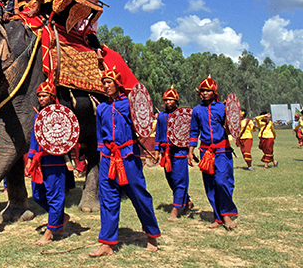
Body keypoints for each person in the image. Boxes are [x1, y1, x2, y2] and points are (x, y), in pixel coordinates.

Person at [90, 68, 160, 257]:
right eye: (104, 83)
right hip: (107, 158)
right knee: (107, 199)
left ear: (118, 84)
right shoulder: (102, 108)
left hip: (128, 156)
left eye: (109, 82)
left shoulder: (129, 104)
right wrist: (102, 155)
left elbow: (143, 123)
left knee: (139, 195)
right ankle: (107, 243)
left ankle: (152, 235)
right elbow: (99, 134)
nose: (105, 86)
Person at [25, 81, 72, 245]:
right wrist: (29, 159)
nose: (41, 99)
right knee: (37, 195)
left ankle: (49, 232)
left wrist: (67, 159)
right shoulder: (38, 115)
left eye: (44, 95)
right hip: (39, 161)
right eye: (39, 96)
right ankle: (61, 217)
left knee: (55, 197)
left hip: (55, 161)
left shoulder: (61, 115)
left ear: (52, 97)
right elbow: (34, 138)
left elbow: (68, 137)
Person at [188, 76, 238, 230]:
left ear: (214, 92)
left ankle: (226, 214)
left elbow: (231, 126)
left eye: (208, 91)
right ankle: (218, 217)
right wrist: (190, 151)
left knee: (222, 181)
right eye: (202, 91)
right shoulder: (196, 110)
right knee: (210, 185)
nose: (204, 93)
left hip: (222, 150)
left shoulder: (223, 108)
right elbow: (194, 131)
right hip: (205, 151)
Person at [153, 87, 192, 220]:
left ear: (176, 102)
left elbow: (188, 133)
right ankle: (186, 201)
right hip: (166, 153)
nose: (169, 102)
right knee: (170, 180)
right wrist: (157, 151)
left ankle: (175, 210)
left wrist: (190, 151)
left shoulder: (183, 116)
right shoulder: (161, 117)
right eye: (166, 100)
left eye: (171, 100)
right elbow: (158, 134)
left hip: (179, 151)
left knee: (179, 179)